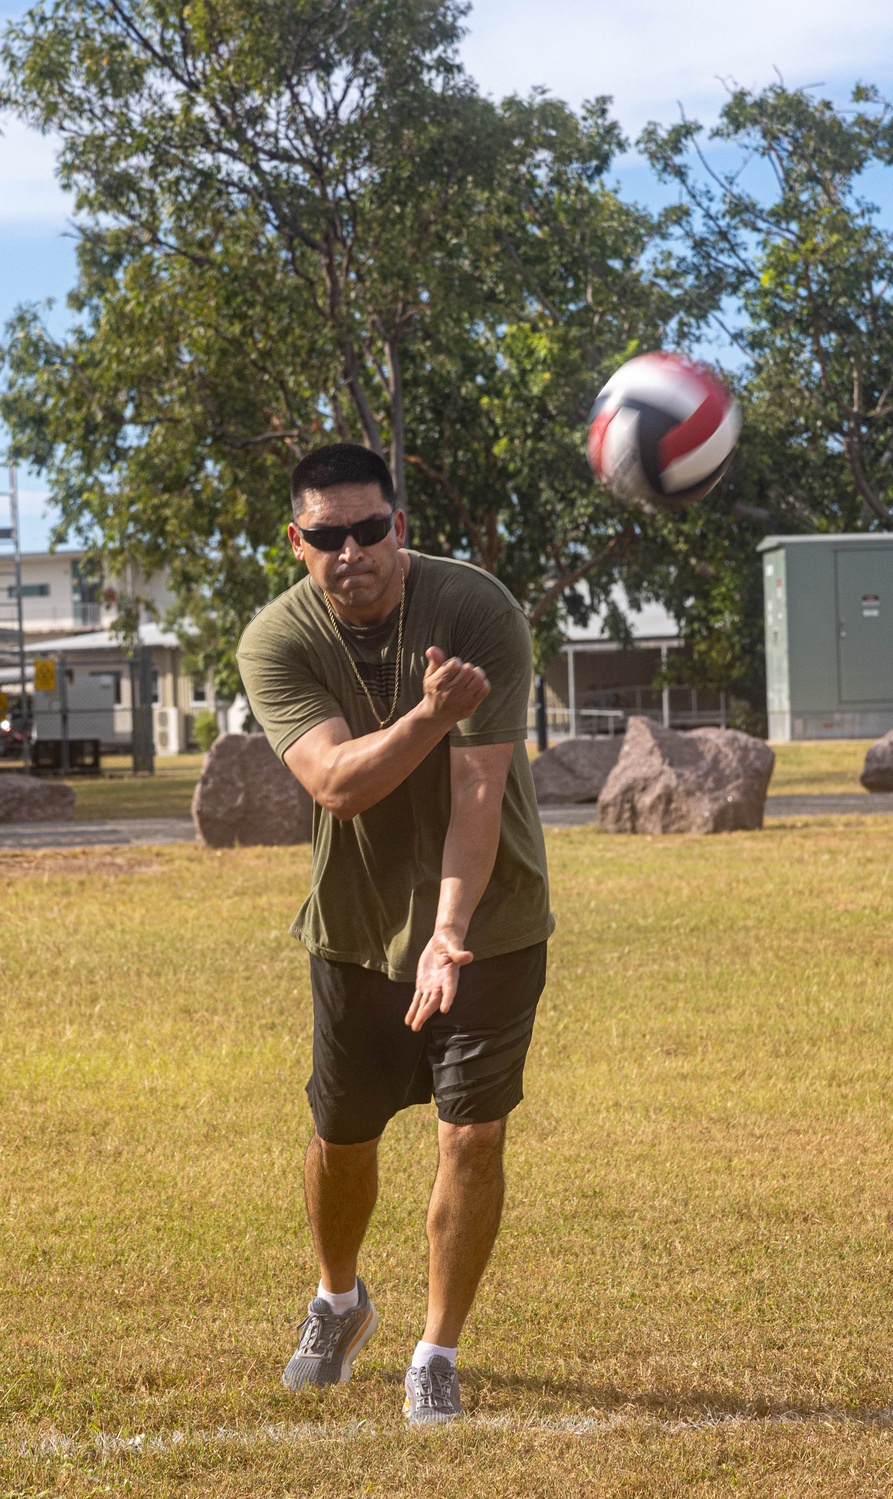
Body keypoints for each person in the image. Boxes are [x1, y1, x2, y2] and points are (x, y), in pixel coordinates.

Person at [237, 442, 553, 1426]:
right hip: (356, 927)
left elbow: (476, 786)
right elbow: (337, 782)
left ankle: (435, 1348)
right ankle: (339, 1297)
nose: (351, 551)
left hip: (488, 920)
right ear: (297, 542)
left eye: (369, 528)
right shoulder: (275, 640)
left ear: (398, 528)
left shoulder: (475, 610)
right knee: (343, 1136)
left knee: (475, 1131)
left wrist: (449, 927)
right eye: (326, 535)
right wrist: (425, 712)